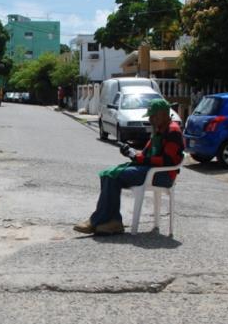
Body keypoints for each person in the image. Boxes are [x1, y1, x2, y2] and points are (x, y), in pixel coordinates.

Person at [74, 98, 184, 235]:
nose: (150, 120)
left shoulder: (172, 131)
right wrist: (130, 152)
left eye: (152, 116)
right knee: (107, 173)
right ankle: (109, 220)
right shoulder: (158, 130)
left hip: (162, 176)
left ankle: (103, 221)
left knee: (114, 176)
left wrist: (140, 158)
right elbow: (144, 154)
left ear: (162, 115)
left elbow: (168, 161)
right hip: (150, 170)